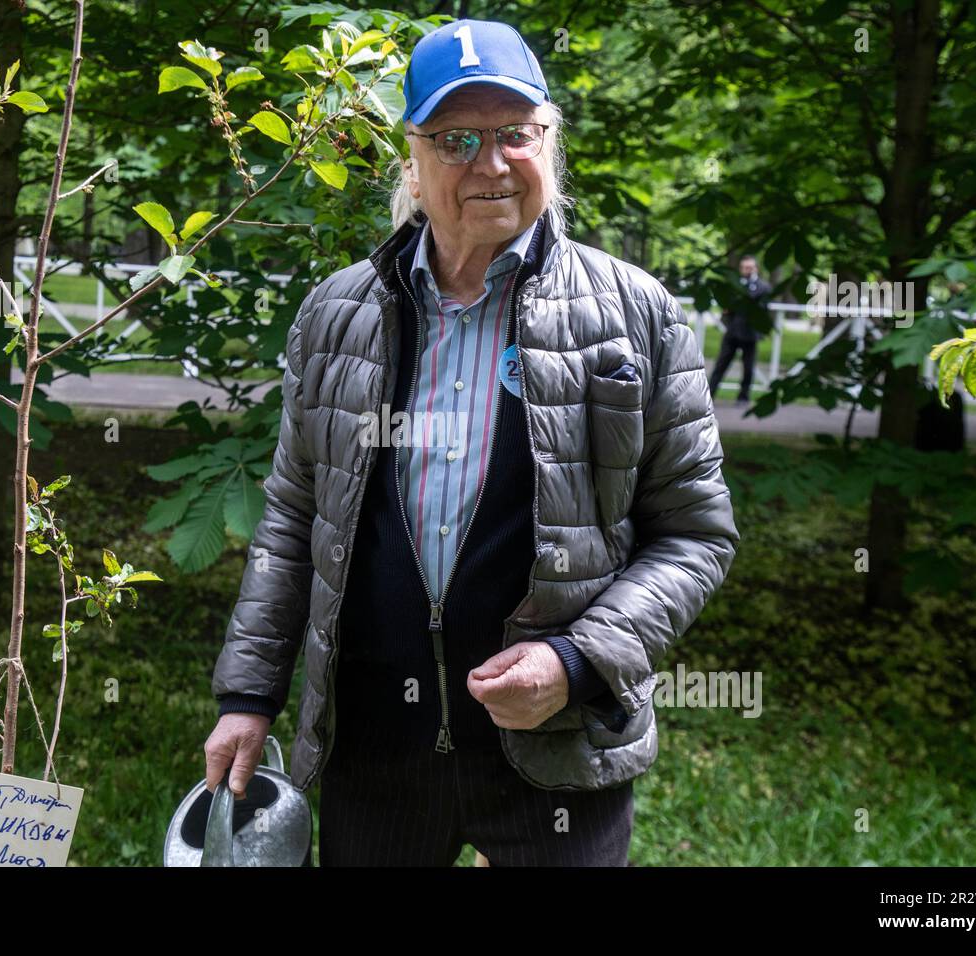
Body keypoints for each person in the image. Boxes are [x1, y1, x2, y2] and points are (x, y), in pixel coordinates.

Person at [203, 18, 740, 866]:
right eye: (455, 139)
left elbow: (695, 533)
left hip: (557, 749)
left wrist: (576, 661)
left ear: (547, 144)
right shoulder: (336, 314)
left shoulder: (636, 313)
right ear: (412, 160)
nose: (489, 164)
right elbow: (293, 522)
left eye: (513, 135)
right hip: (373, 743)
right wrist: (248, 694)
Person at [707, 254, 772, 404]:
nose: (746, 270)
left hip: (750, 334)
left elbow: (759, 308)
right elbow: (727, 306)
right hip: (732, 332)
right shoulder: (733, 285)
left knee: (748, 367)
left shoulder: (763, 287)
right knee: (720, 365)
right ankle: (710, 395)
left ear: (755, 268)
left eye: (749, 267)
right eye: (743, 267)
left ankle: (743, 396)